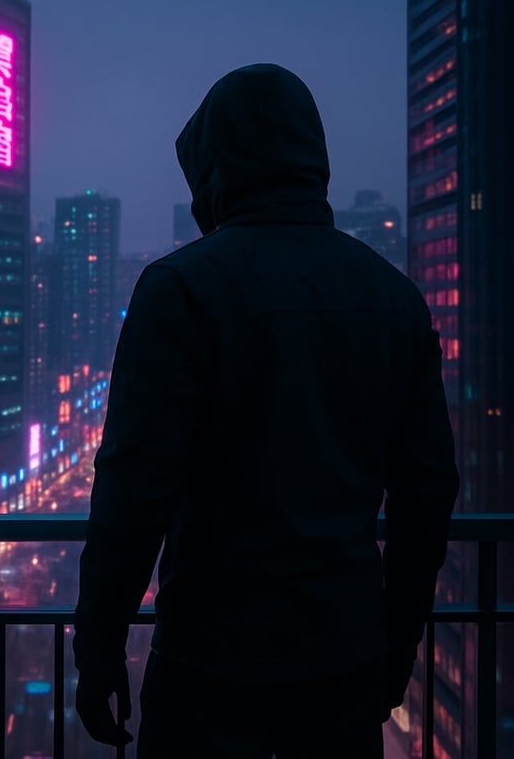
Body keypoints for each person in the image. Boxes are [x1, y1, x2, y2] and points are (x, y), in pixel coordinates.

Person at [73, 63, 459, 758]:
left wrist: (99, 645)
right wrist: (394, 647)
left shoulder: (180, 290)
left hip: (209, 665)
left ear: (214, 167)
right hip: (342, 664)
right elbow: (426, 493)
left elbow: (134, 489)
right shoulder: (394, 299)